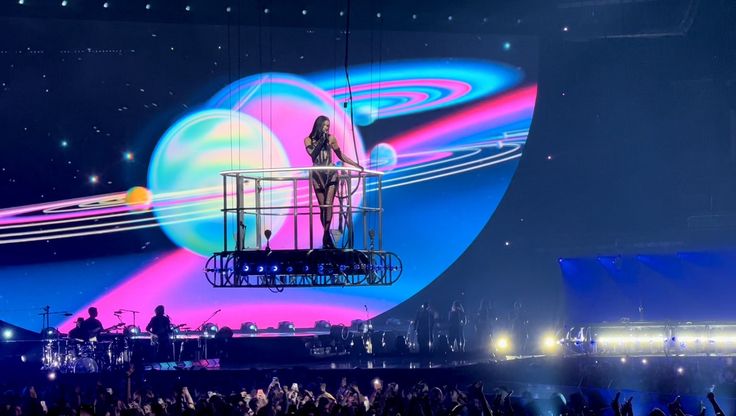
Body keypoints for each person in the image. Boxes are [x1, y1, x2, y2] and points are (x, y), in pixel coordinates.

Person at [304, 115, 362, 249]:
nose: (327, 128)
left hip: (331, 174)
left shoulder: (331, 138)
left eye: (328, 126)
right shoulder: (308, 140)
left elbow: (340, 155)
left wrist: (355, 164)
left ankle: (326, 235)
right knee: (322, 206)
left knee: (328, 204)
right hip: (317, 175)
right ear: (319, 125)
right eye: (325, 125)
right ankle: (327, 236)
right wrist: (322, 141)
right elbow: (313, 155)